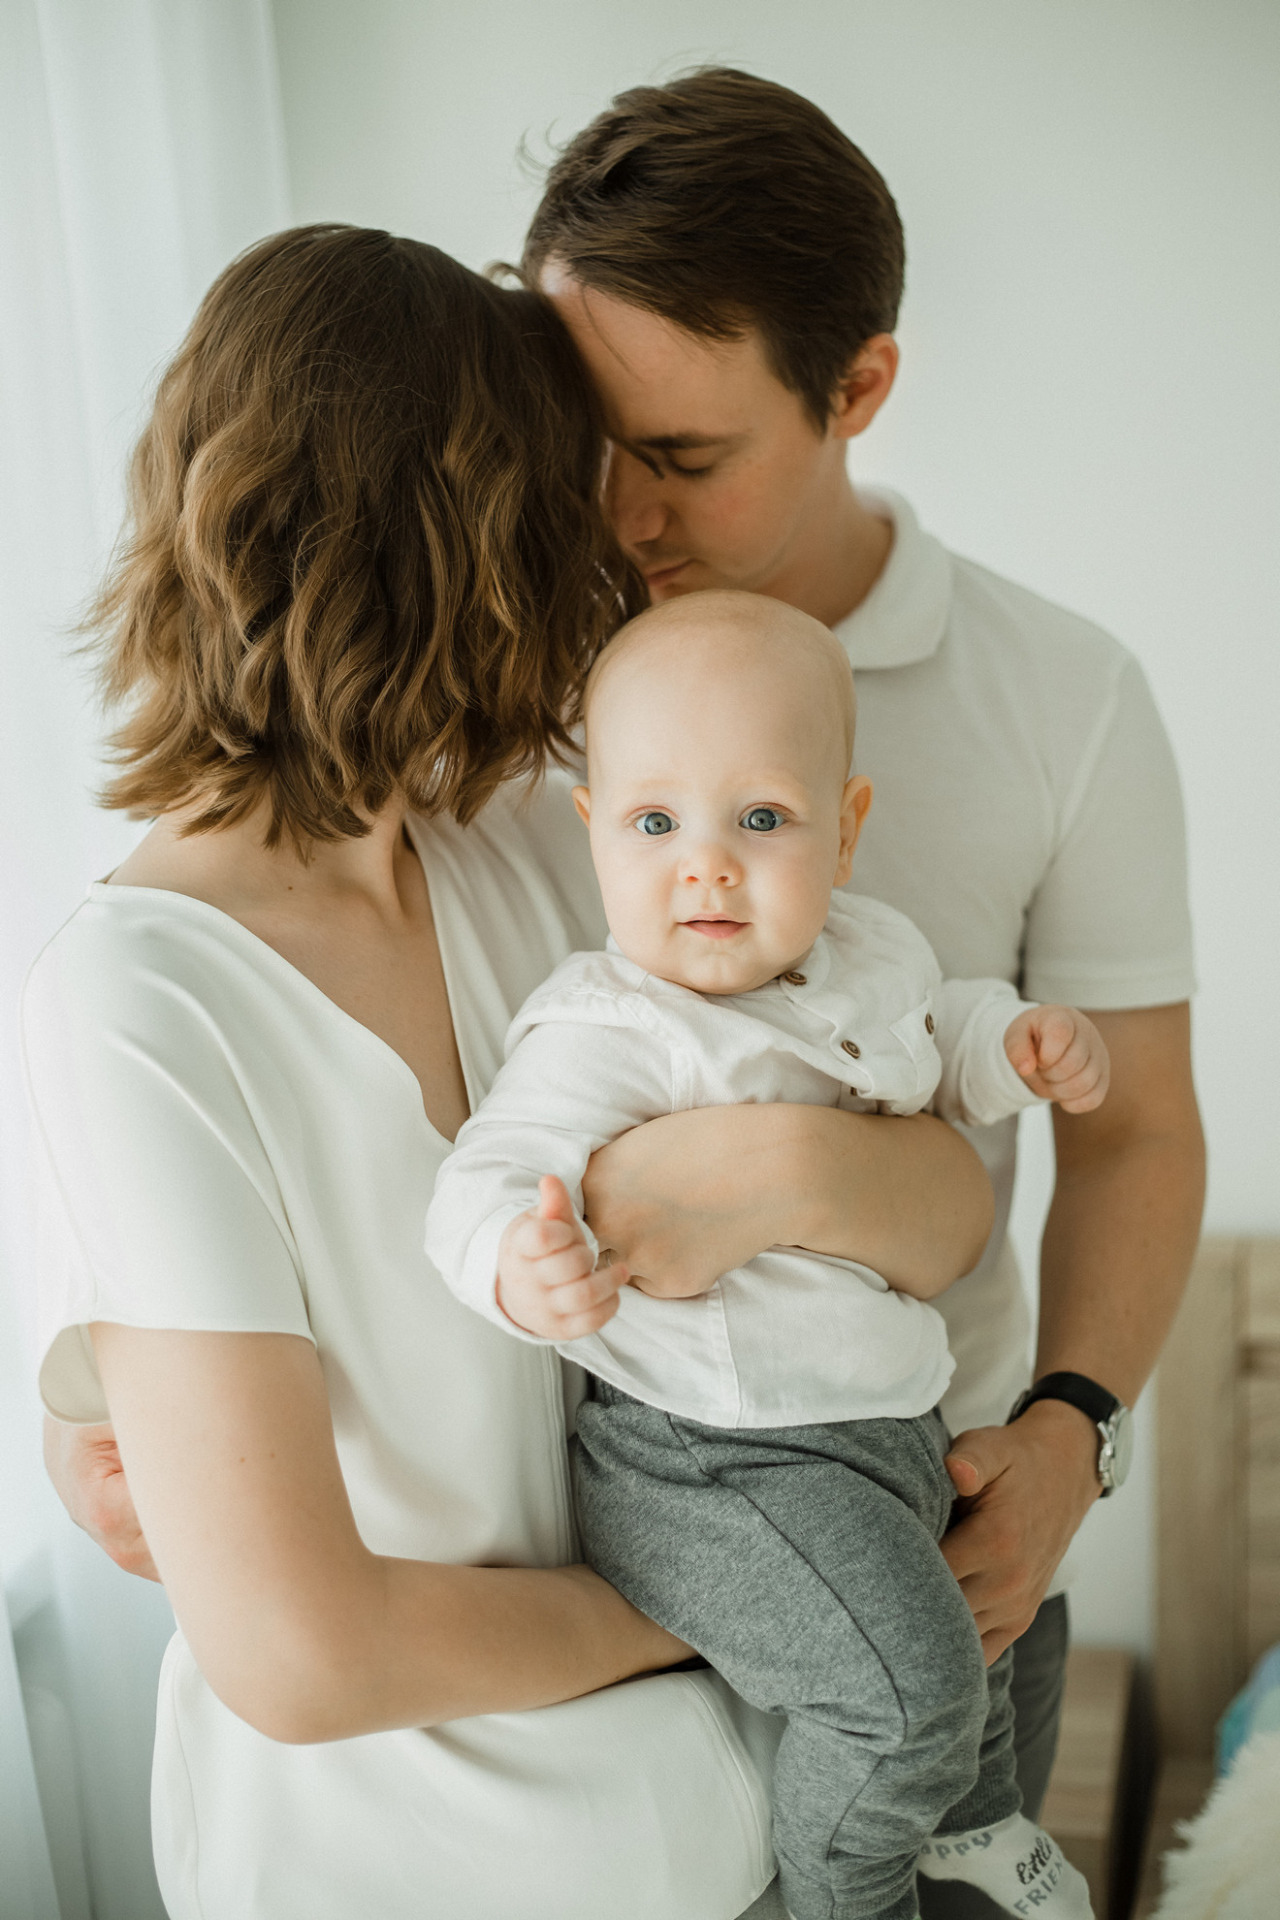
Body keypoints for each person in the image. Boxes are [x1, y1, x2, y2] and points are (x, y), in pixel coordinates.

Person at [27, 224, 994, 1920]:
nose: (625, 536)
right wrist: (782, 1600)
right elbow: (306, 1656)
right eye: (575, 499)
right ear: (445, 547)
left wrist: (777, 1184)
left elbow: (942, 1204)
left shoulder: (547, 860)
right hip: (396, 1871)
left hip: (723, 1830)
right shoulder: (144, 992)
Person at [522, 70, 1205, 1917]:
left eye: (681, 458)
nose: (618, 511)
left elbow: (1134, 1130)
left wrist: (1072, 1432)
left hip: (946, 1544)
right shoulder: (509, 675)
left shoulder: (1062, 698)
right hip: (584, 1587)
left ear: (861, 390)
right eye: (586, 439)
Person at [426, 590, 1102, 1920]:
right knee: (907, 1694)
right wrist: (519, 1260)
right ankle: (848, 1899)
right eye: (656, 822)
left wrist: (1011, 1045)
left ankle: (976, 1827)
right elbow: (484, 1176)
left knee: (1008, 1631)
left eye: (762, 819)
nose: (708, 866)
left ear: (844, 831)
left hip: (884, 1428)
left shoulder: (873, 952)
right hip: (711, 1461)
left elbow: (936, 1031)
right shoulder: (609, 1024)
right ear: (595, 835)